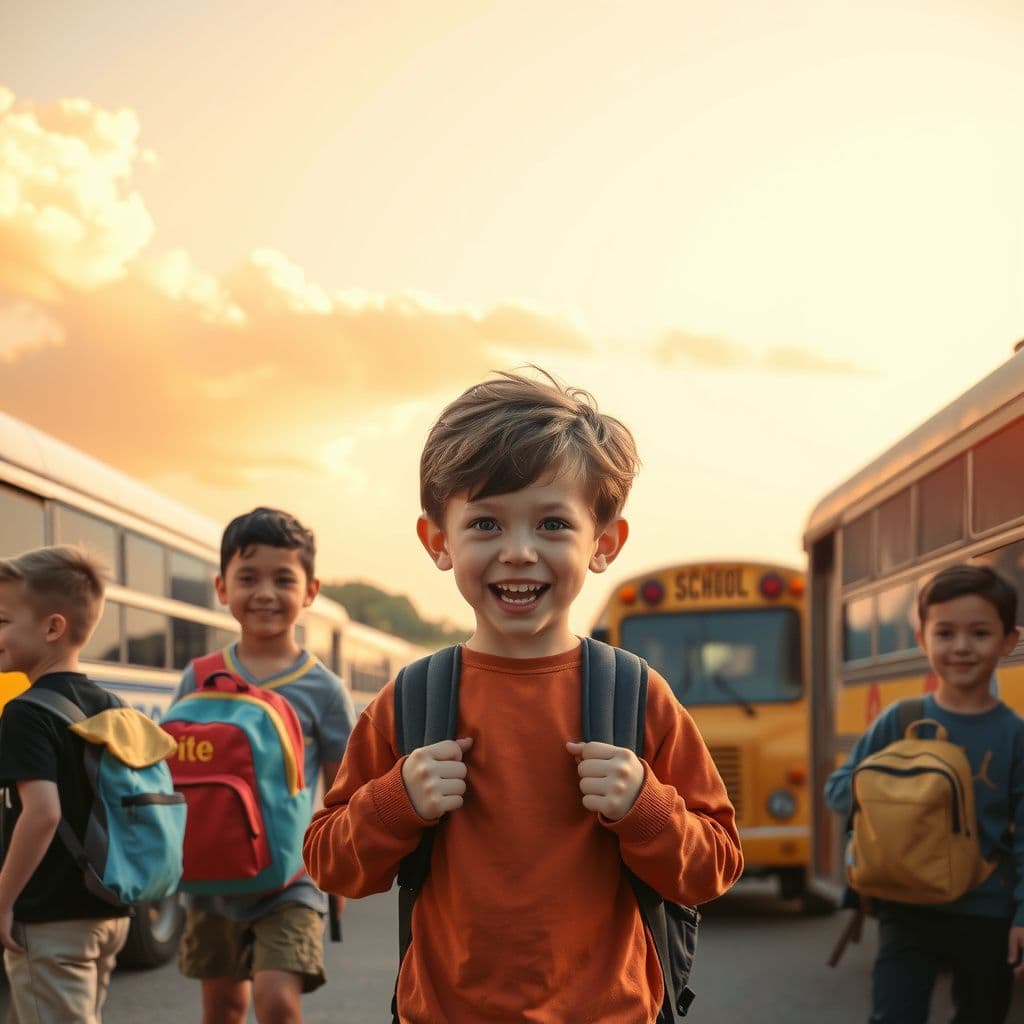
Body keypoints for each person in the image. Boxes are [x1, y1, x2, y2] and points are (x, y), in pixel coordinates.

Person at [304, 369, 743, 1022]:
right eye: (485, 523)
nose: (517, 551)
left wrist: (644, 805)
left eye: (552, 525)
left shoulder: (635, 694)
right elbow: (332, 864)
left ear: (605, 543)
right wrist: (398, 800)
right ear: (438, 541)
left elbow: (714, 867)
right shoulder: (412, 699)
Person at [173, 508, 356, 1024]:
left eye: (283, 579)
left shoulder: (324, 689)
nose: (265, 593)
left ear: (311, 590)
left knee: (276, 1001)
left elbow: (342, 785)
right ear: (221, 587)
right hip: (210, 878)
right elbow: (178, 777)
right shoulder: (198, 677)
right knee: (223, 1009)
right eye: (247, 578)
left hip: (292, 877)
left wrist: (339, 874)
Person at [825, 563, 1024, 1024]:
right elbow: (838, 792)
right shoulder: (900, 719)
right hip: (905, 907)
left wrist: (1020, 918)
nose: (960, 647)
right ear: (922, 639)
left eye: (979, 633)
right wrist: (892, 796)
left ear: (1009, 641)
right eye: (945, 632)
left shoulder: (1014, 736)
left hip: (987, 911)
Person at [0, 545, 130, 1023]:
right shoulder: (113, 703)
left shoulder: (25, 712)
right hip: (108, 909)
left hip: (51, 918)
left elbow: (43, 812)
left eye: (1, 621)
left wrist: (2, 901)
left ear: (52, 628)